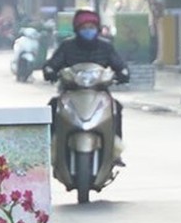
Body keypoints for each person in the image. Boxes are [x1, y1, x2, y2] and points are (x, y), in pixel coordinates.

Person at [43, 8, 129, 165]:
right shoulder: (67, 46)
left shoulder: (106, 47)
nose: (88, 31)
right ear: (77, 29)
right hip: (70, 92)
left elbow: (119, 64)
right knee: (53, 106)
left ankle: (115, 150)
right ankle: (49, 148)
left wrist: (123, 73)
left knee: (116, 108)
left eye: (91, 27)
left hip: (99, 92)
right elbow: (53, 64)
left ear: (97, 29)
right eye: (84, 28)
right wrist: (50, 71)